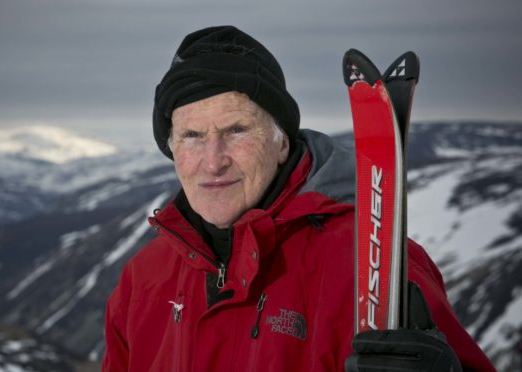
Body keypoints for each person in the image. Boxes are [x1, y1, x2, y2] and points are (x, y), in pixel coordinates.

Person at [102, 25, 495, 371]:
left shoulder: (376, 263)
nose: (213, 161)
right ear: (171, 150)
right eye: (191, 136)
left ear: (281, 144)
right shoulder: (143, 280)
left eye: (237, 130)